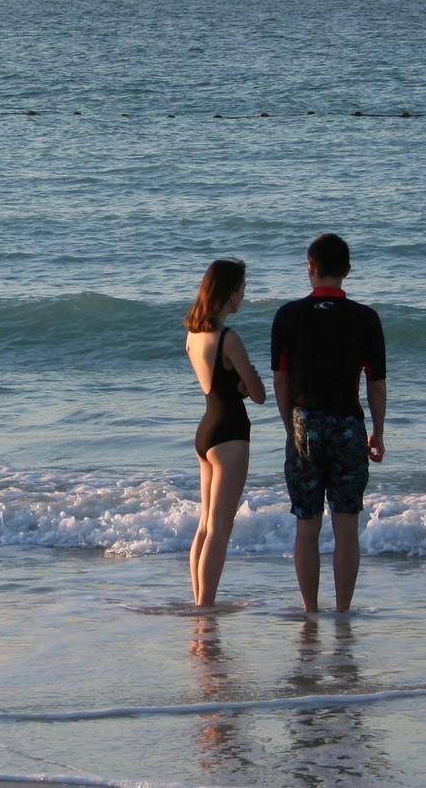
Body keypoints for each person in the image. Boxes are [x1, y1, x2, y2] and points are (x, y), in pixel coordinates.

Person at [271, 234, 387, 613]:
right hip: (348, 425)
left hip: (304, 422)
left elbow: (281, 381)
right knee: (346, 525)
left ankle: (310, 611)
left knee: (307, 524)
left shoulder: (288, 316)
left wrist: (291, 426)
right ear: (347, 270)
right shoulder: (366, 318)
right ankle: (342, 613)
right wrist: (378, 432)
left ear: (310, 266)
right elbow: (375, 383)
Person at [185, 258, 266, 606]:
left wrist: (239, 386)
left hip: (206, 430)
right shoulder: (229, 339)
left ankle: (199, 602)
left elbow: (219, 384)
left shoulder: (194, 336)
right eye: (242, 289)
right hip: (231, 432)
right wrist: (250, 383)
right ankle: (206, 608)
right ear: (231, 294)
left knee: (205, 525)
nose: (244, 295)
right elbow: (259, 394)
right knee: (220, 527)